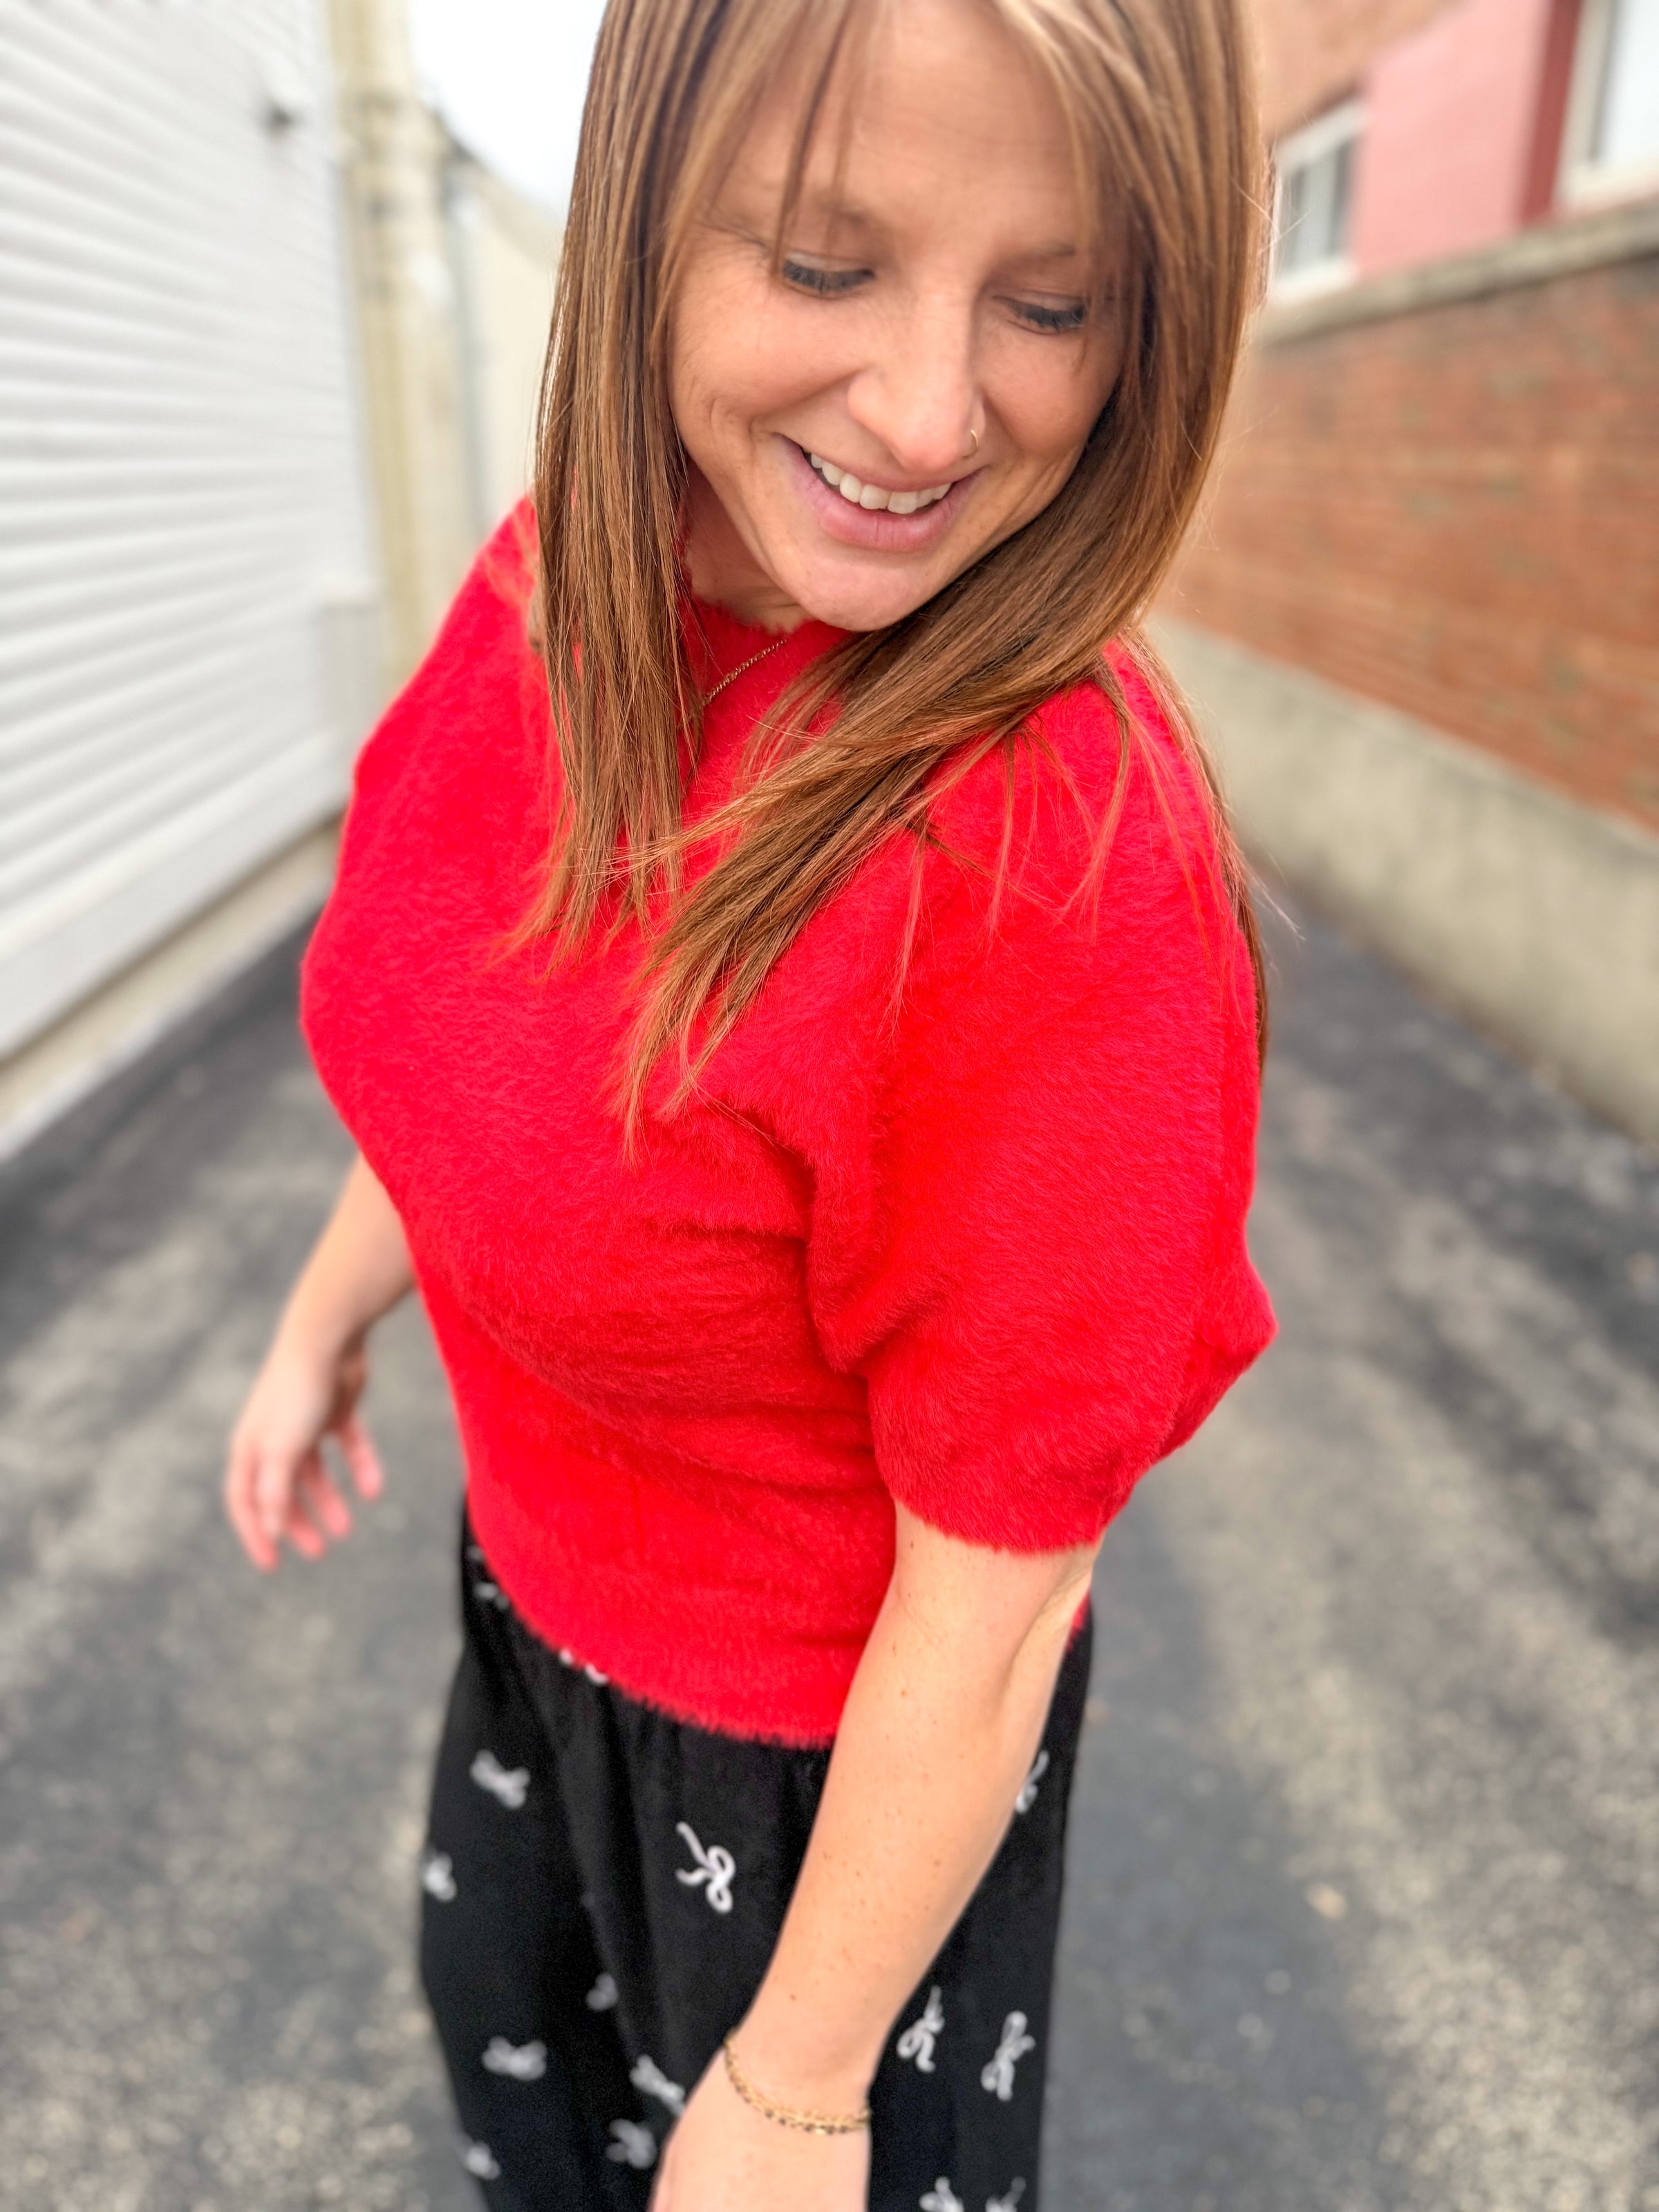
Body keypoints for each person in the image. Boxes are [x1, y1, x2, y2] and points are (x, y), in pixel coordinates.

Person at [224, 0, 1275, 2205]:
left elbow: (1006, 1579)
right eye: (821, 262)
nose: (926, 412)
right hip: (534, 1629)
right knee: (531, 2131)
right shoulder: (559, 589)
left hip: (823, 1792)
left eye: (1053, 303)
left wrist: (799, 2087)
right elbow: (483, 1044)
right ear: (642, 225)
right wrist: (332, 1308)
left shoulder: (1049, 858)